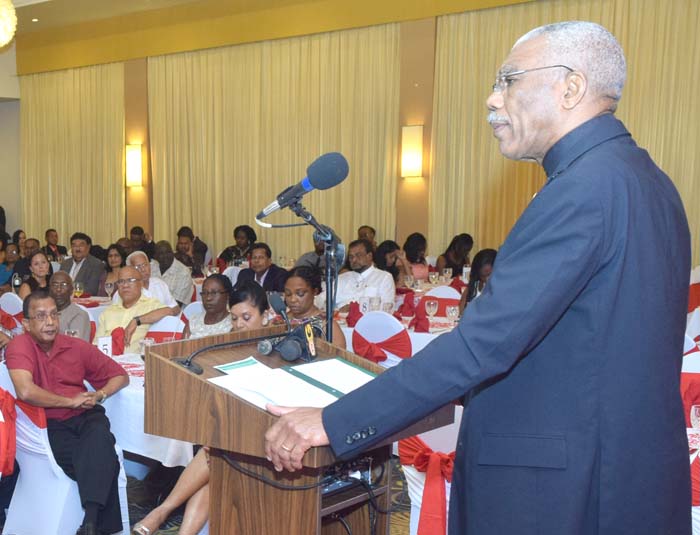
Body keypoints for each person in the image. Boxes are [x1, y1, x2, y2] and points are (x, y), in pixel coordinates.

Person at [263, 21, 691, 534]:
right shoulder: (648, 180)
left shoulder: (582, 190)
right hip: (622, 472)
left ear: (570, 87)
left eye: (508, 80)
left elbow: (481, 346)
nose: (492, 99)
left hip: (557, 490)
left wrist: (333, 421)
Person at [132, 282, 269, 535]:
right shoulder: (234, 345)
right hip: (236, 432)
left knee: (216, 449)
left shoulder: (279, 348)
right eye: (235, 318)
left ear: (266, 315)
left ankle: (161, 512)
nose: (239, 325)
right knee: (217, 454)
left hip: (269, 434)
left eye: (247, 317)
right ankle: (176, 525)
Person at [6, 292, 128, 535]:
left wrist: (100, 394)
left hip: (85, 415)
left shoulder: (75, 346)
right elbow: (26, 391)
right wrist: (69, 402)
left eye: (53, 315)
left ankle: (90, 525)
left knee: (99, 436)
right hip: (46, 423)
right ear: (27, 324)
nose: (50, 322)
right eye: (40, 317)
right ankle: (95, 522)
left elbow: (121, 375)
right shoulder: (20, 345)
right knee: (103, 456)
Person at [95, 266, 173, 353]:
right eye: (121, 281)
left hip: (138, 363)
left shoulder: (150, 305)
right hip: (107, 362)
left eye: (130, 280)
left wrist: (137, 321)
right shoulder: (108, 312)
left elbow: (169, 311)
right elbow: (96, 345)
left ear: (141, 284)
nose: (125, 285)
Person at [318, 239, 395, 310]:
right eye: (351, 257)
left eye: (358, 255)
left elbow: (387, 307)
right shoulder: (342, 278)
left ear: (369, 256)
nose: (354, 260)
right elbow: (321, 298)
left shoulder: (384, 277)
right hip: (338, 321)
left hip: (368, 322)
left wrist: (353, 308)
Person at [284, 266, 346, 348]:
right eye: (288, 294)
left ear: (315, 291)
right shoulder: (281, 320)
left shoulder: (326, 325)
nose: (293, 299)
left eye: (300, 294)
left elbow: (338, 358)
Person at [124, 251, 179, 315]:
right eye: (138, 267)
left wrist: (162, 314)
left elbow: (176, 308)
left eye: (145, 265)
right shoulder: (125, 290)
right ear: (130, 270)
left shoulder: (160, 284)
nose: (143, 269)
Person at [183, 274, 233, 339]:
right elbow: (182, 348)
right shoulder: (193, 322)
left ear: (227, 295)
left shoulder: (233, 323)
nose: (208, 298)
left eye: (214, 293)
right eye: (204, 293)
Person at [47, 271, 91, 341]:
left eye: (64, 285)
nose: (59, 289)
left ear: (71, 290)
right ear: (49, 290)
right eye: (55, 285)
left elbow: (74, 347)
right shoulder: (45, 313)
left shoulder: (78, 315)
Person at [153, 240, 194, 307]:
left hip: (174, 314)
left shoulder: (183, 272)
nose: (165, 256)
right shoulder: (151, 268)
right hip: (150, 309)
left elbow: (175, 305)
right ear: (155, 256)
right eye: (161, 253)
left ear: (172, 253)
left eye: (168, 252)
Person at [459, 248, 497, 314]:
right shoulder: (472, 289)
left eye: (490, 275)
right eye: (482, 276)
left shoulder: (502, 291)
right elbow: (461, 313)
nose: (486, 279)